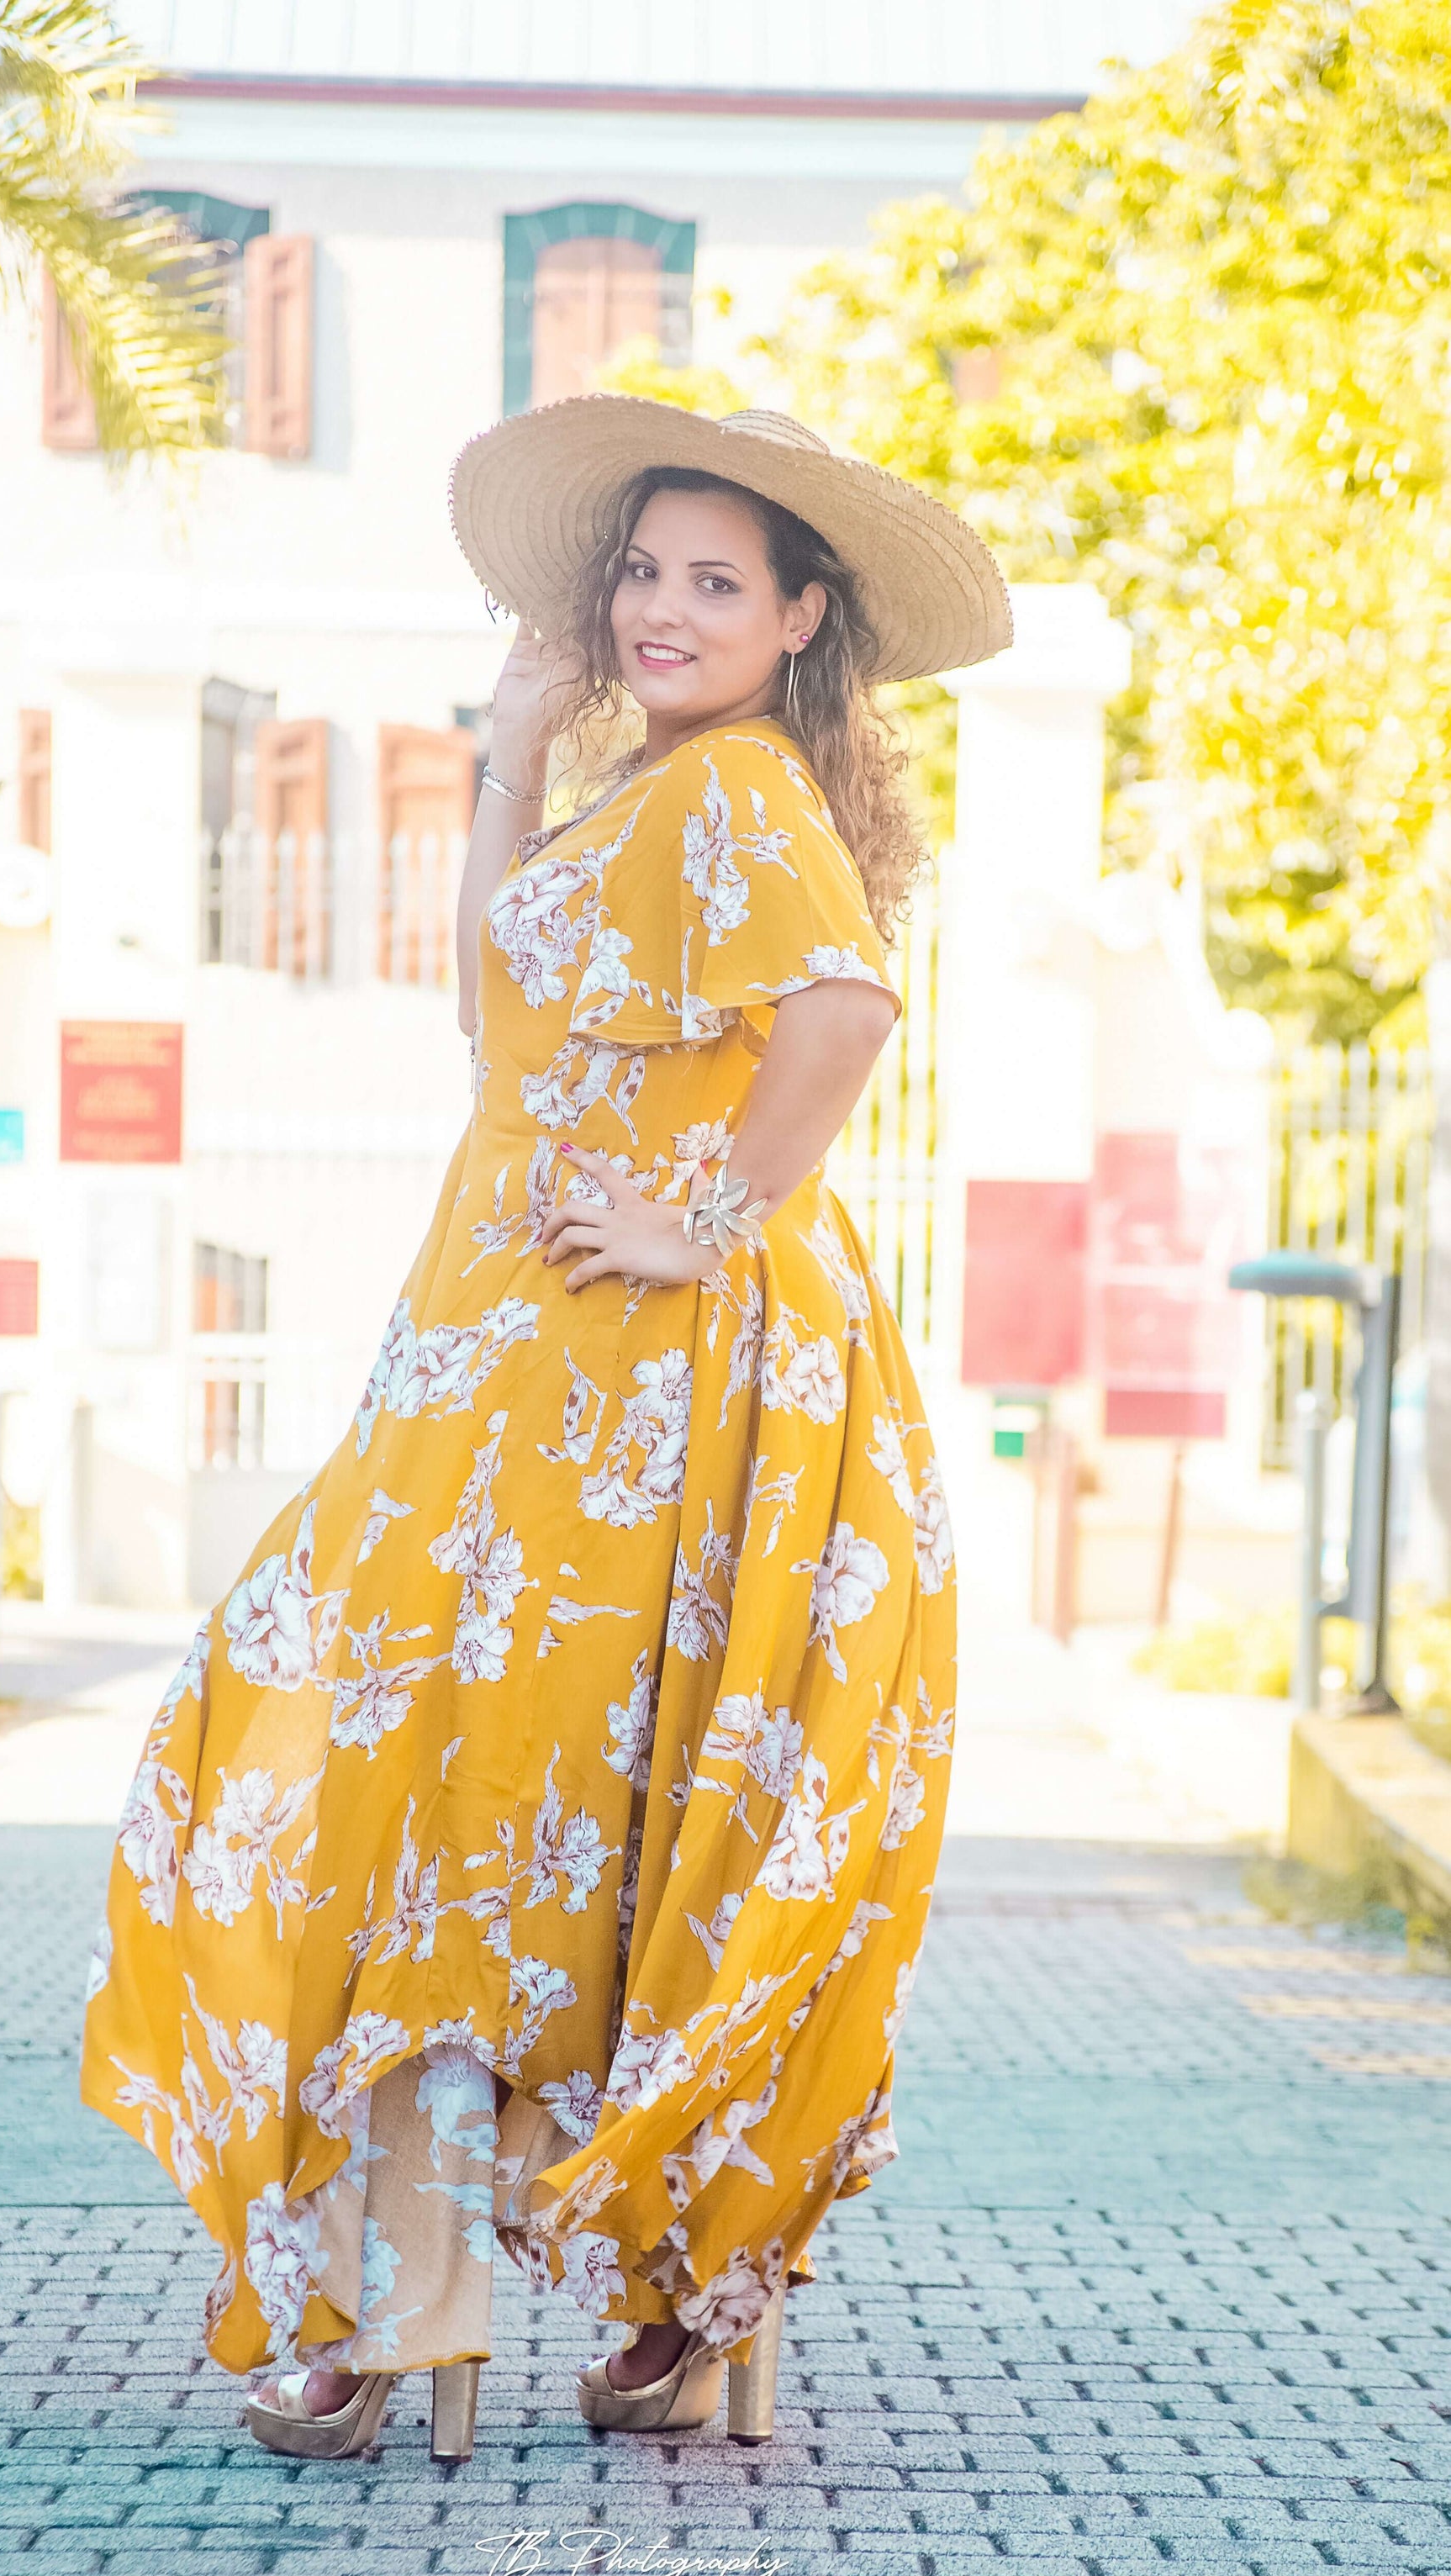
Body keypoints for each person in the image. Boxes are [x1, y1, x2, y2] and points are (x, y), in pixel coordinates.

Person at [82, 397, 1010, 2460]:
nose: (660, 606)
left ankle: (529, 2292)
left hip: (644, 1385)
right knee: (451, 1791)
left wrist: (702, 1219)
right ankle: (494, 2294)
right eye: (641, 570)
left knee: (524, 1808)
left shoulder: (746, 791)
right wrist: (507, 754)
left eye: (711, 580)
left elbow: (847, 1017)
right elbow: (502, 1030)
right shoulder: (649, 798)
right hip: (501, 1368)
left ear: (795, 620)